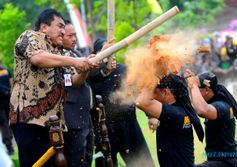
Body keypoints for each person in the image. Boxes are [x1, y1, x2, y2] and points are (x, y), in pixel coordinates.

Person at [10, 9, 93, 167]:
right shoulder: (30, 37)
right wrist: (75, 62)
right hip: (30, 120)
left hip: (53, 124)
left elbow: (73, 81)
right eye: (60, 26)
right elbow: (38, 59)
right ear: (44, 27)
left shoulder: (58, 52)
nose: (63, 31)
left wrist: (85, 68)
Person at [91, 38, 155, 167]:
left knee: (143, 163)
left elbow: (141, 91)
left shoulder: (124, 70)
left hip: (129, 123)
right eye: (105, 52)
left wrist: (151, 115)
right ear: (98, 54)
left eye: (112, 51)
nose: (110, 55)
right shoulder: (90, 75)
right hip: (104, 128)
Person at [135, 73, 204, 167]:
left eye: (154, 92)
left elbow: (140, 102)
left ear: (166, 93)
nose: (152, 97)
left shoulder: (175, 114)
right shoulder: (178, 110)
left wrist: (151, 79)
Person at [185, 70, 237, 167]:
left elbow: (202, 110)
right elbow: (195, 105)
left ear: (206, 90)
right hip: (220, 161)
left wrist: (193, 85)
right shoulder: (215, 103)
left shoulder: (222, 106)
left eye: (198, 89)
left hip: (226, 163)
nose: (194, 92)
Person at [62, 20, 94, 167]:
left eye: (75, 35)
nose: (74, 39)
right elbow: (70, 83)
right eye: (70, 35)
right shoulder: (58, 58)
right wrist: (85, 68)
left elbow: (88, 77)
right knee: (77, 160)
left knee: (87, 156)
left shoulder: (76, 53)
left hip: (85, 116)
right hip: (72, 119)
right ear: (60, 36)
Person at [0, 61, 14, 155]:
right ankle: (11, 139)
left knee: (4, 123)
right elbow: (11, 84)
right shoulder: (6, 70)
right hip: (9, 98)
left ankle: (9, 146)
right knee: (11, 120)